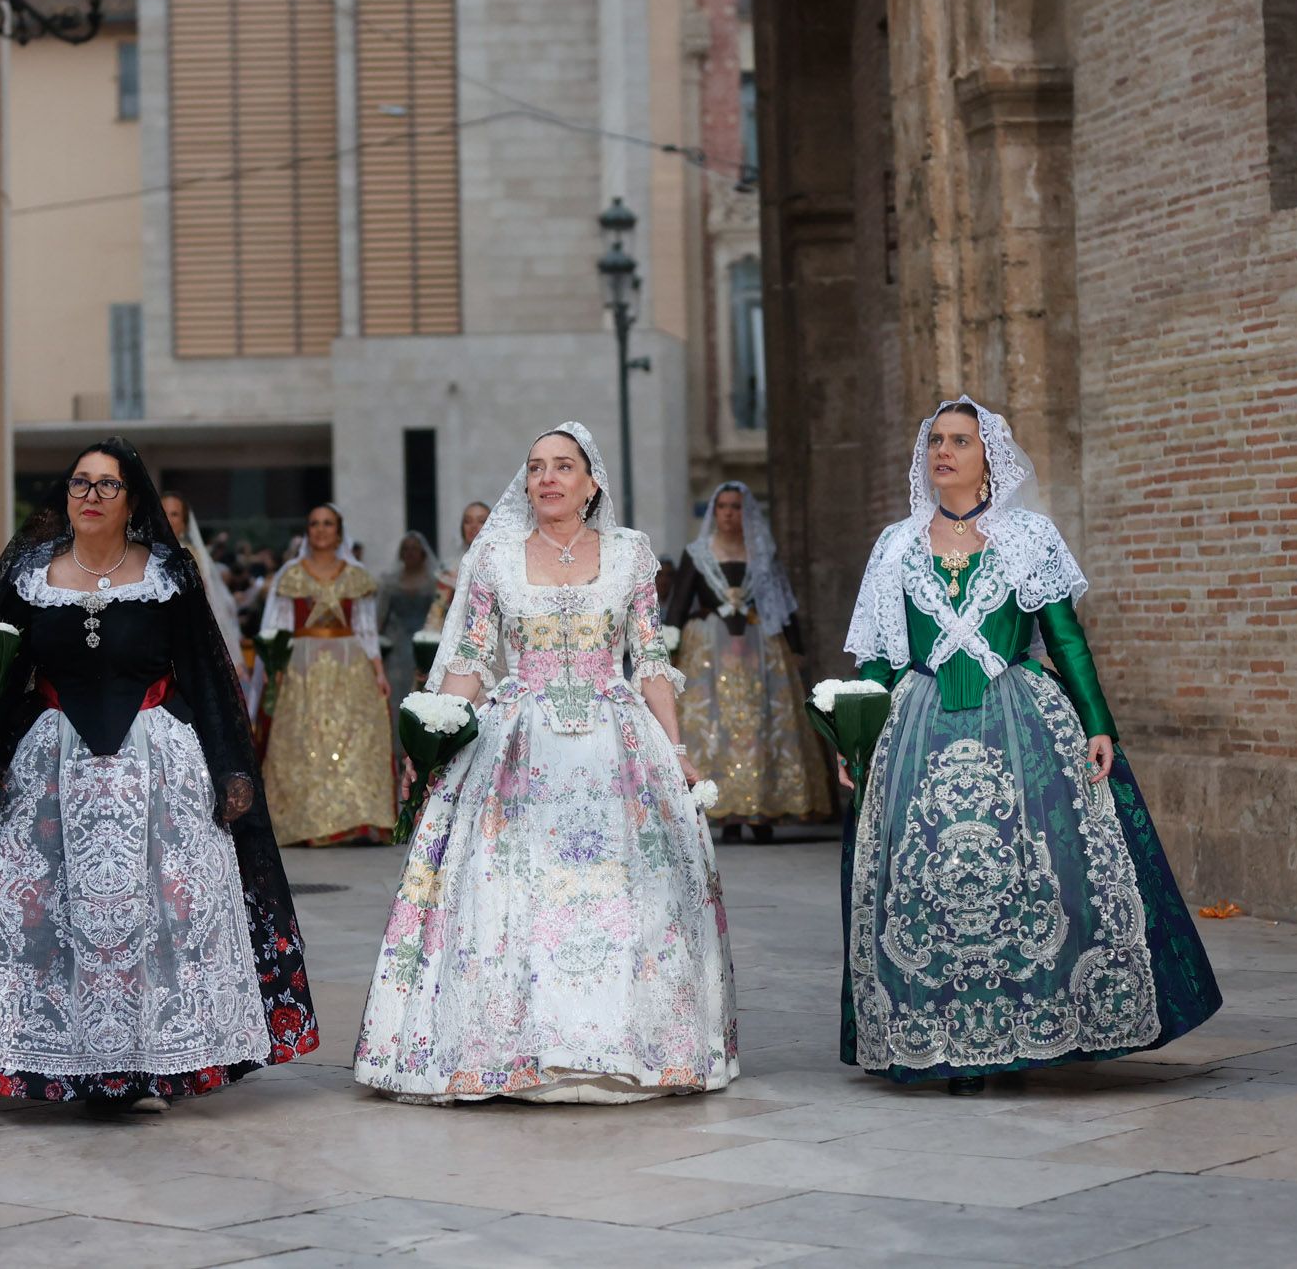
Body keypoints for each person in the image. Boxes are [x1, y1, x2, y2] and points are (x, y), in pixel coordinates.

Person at [0, 438, 318, 1110]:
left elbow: (207, 674)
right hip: (52, 762)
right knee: (33, 905)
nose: (90, 497)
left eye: (106, 485)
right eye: (79, 484)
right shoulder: (30, 576)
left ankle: (155, 1063)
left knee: (159, 913)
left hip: (155, 763)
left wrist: (231, 767)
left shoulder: (167, 574)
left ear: (133, 500)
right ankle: (53, 1059)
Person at [841, 397, 1220, 1095]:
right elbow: (876, 659)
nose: (944, 452)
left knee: (1031, 872)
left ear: (990, 457)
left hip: (1020, 720)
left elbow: (1066, 639)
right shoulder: (895, 544)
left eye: (960, 440)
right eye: (935, 442)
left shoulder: (1028, 537)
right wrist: (854, 734)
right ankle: (945, 1038)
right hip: (920, 725)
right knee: (927, 879)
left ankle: (1024, 1035)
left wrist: (1098, 722)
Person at [354, 423, 736, 1104]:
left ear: (592, 483)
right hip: (517, 745)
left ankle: (623, 1045)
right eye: (536, 467)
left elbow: (650, 661)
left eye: (563, 466)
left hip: (617, 743)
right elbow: (471, 660)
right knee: (515, 893)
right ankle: (516, 1048)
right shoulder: (496, 556)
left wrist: (676, 750)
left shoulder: (629, 554)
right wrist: (433, 733)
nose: (548, 478)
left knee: (623, 895)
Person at [666, 482, 833, 842]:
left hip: (760, 647)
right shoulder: (697, 554)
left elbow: (781, 604)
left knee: (762, 722)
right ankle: (724, 811)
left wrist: (796, 646)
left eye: (737, 507)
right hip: (708, 651)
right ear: (715, 510)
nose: (729, 513)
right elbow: (679, 603)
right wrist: (669, 643)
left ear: (748, 512)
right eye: (724, 506)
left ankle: (761, 809)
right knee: (714, 725)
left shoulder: (763, 554)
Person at [261, 505, 394, 845]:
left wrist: (379, 673)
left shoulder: (355, 574)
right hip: (302, 669)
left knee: (354, 741)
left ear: (339, 531)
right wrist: (274, 670)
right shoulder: (290, 573)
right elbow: (277, 629)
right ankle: (306, 822)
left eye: (328, 524)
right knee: (306, 742)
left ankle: (356, 821)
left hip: (350, 667)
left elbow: (366, 629)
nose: (321, 530)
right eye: (314, 523)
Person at [162, 491, 244, 662]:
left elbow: (210, 601)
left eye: (174, 514)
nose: (167, 519)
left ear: (184, 524)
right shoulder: (139, 553)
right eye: (162, 512)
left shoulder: (194, 556)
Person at [380, 531, 440, 712]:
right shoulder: (390, 582)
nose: (410, 553)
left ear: (423, 553)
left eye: (414, 549)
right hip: (398, 646)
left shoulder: (434, 582)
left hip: (428, 642)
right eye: (406, 549)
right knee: (399, 691)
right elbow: (380, 616)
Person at [423, 501, 492, 634]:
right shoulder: (450, 568)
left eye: (481, 521)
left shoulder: (506, 562)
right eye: (467, 521)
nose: (473, 526)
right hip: (460, 636)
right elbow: (437, 612)